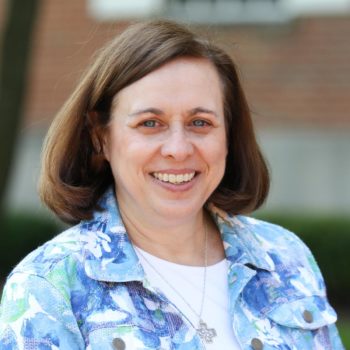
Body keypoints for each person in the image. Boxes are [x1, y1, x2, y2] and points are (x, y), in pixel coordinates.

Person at [0, 20, 344, 350]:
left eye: (200, 122)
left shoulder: (285, 258)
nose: (178, 149)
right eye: (150, 123)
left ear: (228, 135)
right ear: (100, 136)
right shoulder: (47, 288)